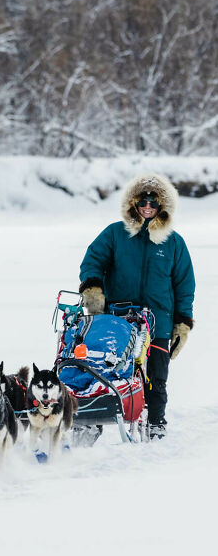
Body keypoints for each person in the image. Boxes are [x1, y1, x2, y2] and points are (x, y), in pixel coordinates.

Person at [79, 173, 195, 439]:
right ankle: (92, 420)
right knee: (105, 370)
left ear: (162, 208)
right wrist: (93, 289)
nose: (147, 208)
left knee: (157, 376)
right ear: (133, 203)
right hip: (118, 320)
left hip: (159, 322)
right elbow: (92, 261)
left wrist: (183, 322)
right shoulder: (115, 234)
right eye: (143, 202)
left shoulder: (174, 243)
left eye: (153, 204)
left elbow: (185, 285)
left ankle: (156, 423)